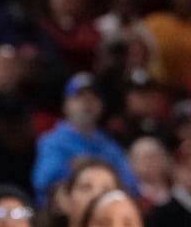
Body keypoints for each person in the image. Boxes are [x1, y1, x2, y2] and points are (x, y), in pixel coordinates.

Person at [32, 75, 137, 205]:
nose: (87, 102)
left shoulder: (110, 146)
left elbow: (131, 185)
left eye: (93, 97)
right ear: (65, 106)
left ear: (101, 105)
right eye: (79, 97)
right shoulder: (51, 142)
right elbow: (45, 182)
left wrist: (83, 165)